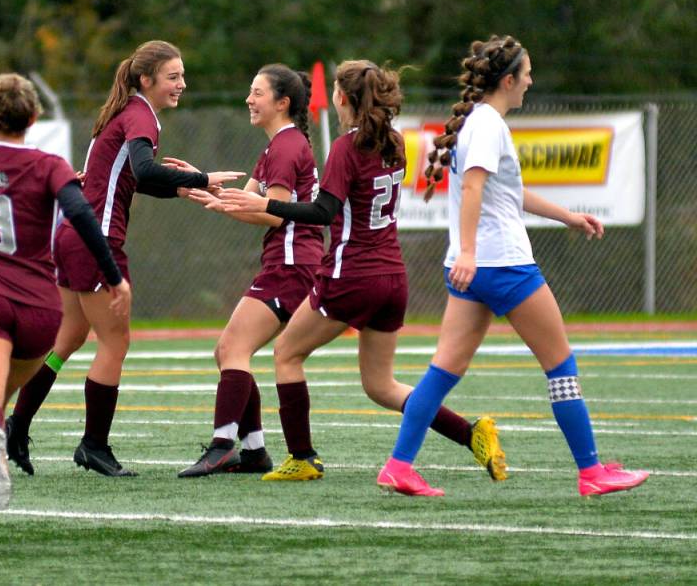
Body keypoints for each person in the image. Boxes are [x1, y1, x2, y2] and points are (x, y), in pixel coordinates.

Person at [376, 35, 649, 496]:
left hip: (476, 267)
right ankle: (592, 472)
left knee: (442, 371)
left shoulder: (482, 123)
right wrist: (468, 250)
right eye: (526, 74)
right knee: (561, 365)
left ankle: (398, 466)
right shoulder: (487, 125)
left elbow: (507, 193)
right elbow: (476, 191)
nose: (531, 81)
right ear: (507, 80)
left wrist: (567, 216)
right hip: (501, 264)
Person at [219, 59, 506, 482]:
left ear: (342, 98)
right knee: (381, 386)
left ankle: (302, 457)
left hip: (352, 273)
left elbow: (322, 212)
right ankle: (471, 433)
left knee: (287, 354)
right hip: (394, 277)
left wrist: (267, 205)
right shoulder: (394, 140)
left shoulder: (345, 147)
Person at [3, 39, 245, 477]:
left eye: (182, 76)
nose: (182, 85)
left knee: (68, 338)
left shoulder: (129, 111)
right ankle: (93, 445)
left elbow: (135, 176)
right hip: (97, 238)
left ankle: (16, 427)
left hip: (73, 234)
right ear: (146, 79)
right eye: (173, 77)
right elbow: (145, 169)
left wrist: (184, 187)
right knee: (115, 342)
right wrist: (201, 176)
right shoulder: (140, 116)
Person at [0, 73, 131, 532]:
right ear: (33, 118)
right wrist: (114, 277)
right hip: (40, 308)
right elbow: (81, 213)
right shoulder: (50, 164)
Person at [175, 64, 321, 477]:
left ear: (282, 102)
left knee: (233, 349)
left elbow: (272, 214)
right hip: (286, 263)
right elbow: (249, 202)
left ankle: (222, 445)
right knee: (228, 351)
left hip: (292, 265)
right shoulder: (277, 146)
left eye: (257, 93)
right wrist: (203, 185)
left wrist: (224, 201)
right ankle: (253, 450)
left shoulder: (287, 147)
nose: (248, 100)